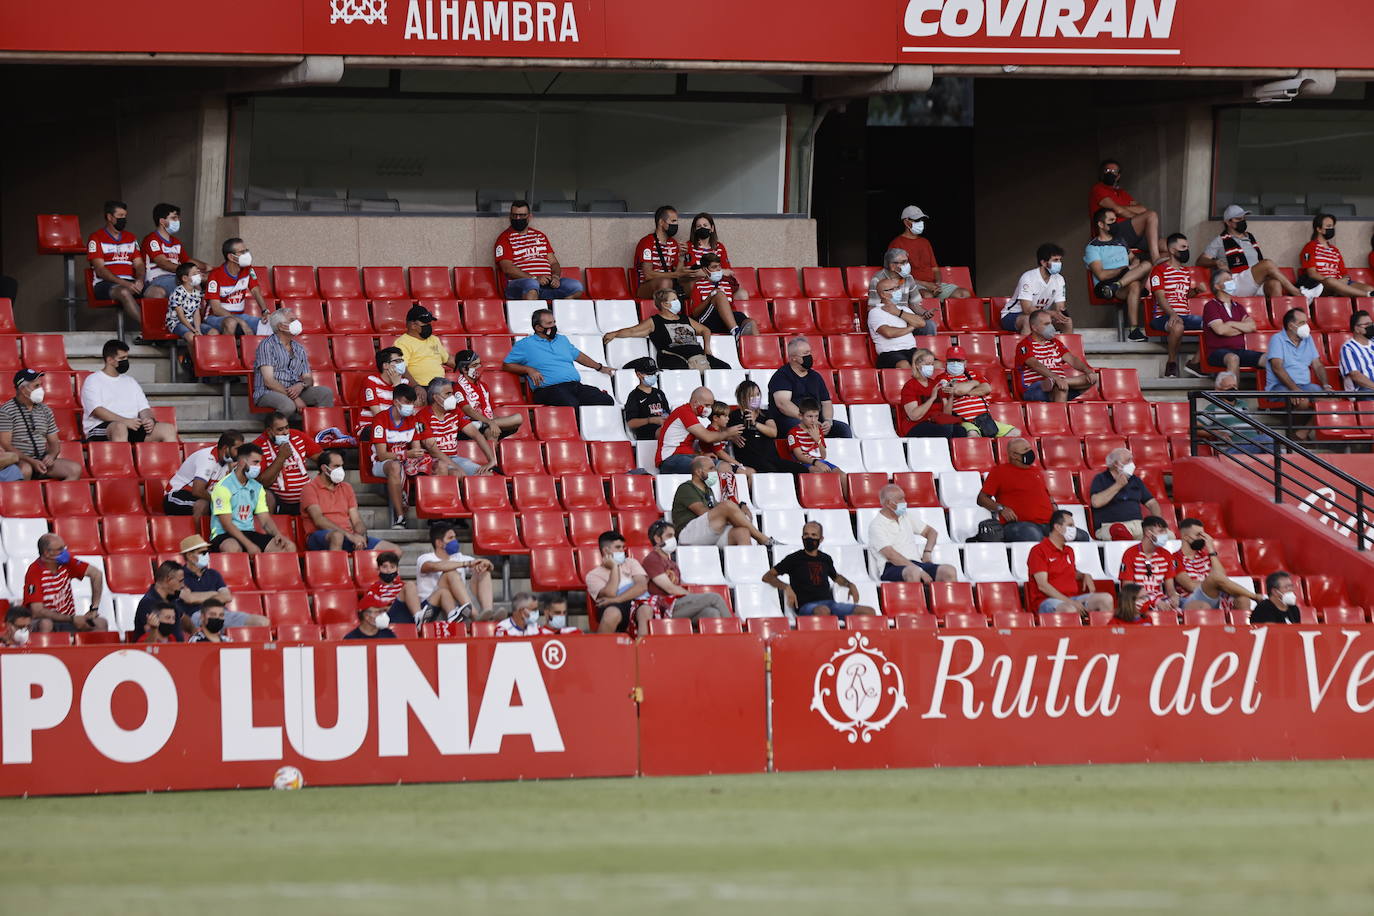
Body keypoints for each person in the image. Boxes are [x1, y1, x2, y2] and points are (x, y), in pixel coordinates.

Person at [370, 384, 459, 528]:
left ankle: (437, 515)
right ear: (395, 402)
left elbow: (416, 448)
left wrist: (416, 455)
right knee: (394, 466)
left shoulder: (412, 419)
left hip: (405, 461)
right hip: (383, 464)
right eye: (406, 403)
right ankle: (400, 517)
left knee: (441, 465)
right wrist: (405, 454)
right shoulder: (380, 420)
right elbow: (381, 455)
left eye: (412, 403)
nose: (410, 406)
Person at [977, 438, 1086, 542]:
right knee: (1033, 534)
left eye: (1030, 449)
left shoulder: (1036, 471)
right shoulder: (999, 471)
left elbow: (1047, 496)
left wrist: (1056, 511)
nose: (1030, 452)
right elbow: (981, 498)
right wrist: (1001, 509)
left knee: (1081, 536)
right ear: (1014, 455)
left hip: (1048, 524)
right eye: (1025, 450)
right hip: (1018, 525)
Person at [503, 309, 616, 407]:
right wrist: (528, 370)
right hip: (548, 390)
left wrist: (600, 367)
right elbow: (506, 365)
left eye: (554, 322)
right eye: (549, 324)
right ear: (538, 327)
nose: (553, 326)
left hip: (574, 386)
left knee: (606, 400)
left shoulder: (562, 339)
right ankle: (576, 431)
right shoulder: (525, 344)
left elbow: (579, 356)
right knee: (570, 403)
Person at [1198, 205, 1311, 302]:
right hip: (1237, 282)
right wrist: (1215, 262)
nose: (1242, 221)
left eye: (1243, 218)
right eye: (1238, 219)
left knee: (1274, 284)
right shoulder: (1220, 240)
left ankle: (1279, 320)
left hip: (1255, 281)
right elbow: (1200, 260)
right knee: (1267, 264)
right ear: (1228, 222)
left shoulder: (1249, 237)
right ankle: (1298, 293)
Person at [765, 521, 876, 618]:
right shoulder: (793, 559)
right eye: (806, 535)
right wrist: (786, 587)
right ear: (802, 537)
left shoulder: (825, 558)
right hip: (806, 606)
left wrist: (849, 584)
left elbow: (836, 577)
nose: (809, 538)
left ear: (821, 539)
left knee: (869, 612)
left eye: (814, 535)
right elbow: (768, 576)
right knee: (823, 611)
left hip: (830, 604)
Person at [604, 288, 729, 370]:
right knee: (685, 371)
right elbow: (633, 330)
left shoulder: (685, 319)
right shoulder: (655, 321)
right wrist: (615, 333)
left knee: (725, 368)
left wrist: (707, 348)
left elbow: (705, 330)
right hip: (674, 359)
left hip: (699, 357)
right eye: (674, 300)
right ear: (664, 304)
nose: (677, 302)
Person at [301, 450, 399, 553]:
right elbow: (319, 520)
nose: (340, 470)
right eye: (336, 466)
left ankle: (378, 569)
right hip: (319, 536)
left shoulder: (346, 487)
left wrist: (361, 535)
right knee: (337, 536)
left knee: (395, 550)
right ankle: (337, 569)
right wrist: (349, 536)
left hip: (347, 536)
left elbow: (356, 520)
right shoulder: (310, 488)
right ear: (324, 468)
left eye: (342, 466)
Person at [81, 339, 177, 442]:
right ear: (110, 360)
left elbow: (144, 408)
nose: (126, 361)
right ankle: (122, 458)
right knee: (120, 428)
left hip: (132, 425)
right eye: (122, 358)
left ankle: (171, 459)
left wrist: (149, 420)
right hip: (102, 427)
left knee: (168, 429)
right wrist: (125, 421)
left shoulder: (131, 381)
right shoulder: (93, 380)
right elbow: (97, 410)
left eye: (127, 357)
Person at [640, 520, 733, 624]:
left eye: (674, 536)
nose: (673, 539)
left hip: (677, 606)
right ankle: (735, 634)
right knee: (714, 598)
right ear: (657, 539)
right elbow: (670, 588)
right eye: (669, 536)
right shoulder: (652, 560)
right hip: (664, 607)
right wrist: (690, 596)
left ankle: (719, 639)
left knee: (711, 613)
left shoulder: (672, 563)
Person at [209, 444, 296, 553]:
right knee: (232, 548)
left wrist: (277, 534)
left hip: (249, 532)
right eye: (255, 462)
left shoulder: (257, 487)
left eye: (259, 462)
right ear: (241, 462)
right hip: (224, 535)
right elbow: (227, 524)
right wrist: (249, 545)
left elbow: (265, 519)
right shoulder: (223, 487)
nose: (259, 467)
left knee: (288, 547)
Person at [1025, 510, 1113, 616]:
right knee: (1069, 609)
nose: (1074, 529)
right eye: (1070, 525)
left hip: (1071, 599)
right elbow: (1043, 585)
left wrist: (1083, 575)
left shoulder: (1069, 551)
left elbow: (1067, 572)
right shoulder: (1038, 551)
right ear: (1057, 527)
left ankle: (1102, 632)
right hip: (1047, 601)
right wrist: (1070, 602)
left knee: (1105, 599)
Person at [672, 456, 773, 547]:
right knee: (727, 506)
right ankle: (763, 539)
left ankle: (746, 566)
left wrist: (740, 506)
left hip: (707, 532)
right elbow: (703, 512)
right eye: (711, 468)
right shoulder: (686, 488)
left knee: (742, 532)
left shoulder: (707, 489)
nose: (715, 471)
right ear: (699, 472)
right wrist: (733, 517)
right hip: (688, 534)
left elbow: (717, 509)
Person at [0, 370, 82, 481]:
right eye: (36, 386)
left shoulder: (45, 410)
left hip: (41, 460)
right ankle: (26, 498)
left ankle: (58, 498)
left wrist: (51, 456)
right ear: (23, 389)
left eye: (41, 385)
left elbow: (54, 442)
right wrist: (31, 461)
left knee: (74, 469)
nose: (41, 389)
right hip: (21, 460)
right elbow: (5, 445)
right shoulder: (7, 411)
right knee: (26, 469)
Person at [867, 484, 957, 584]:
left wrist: (927, 553)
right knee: (913, 572)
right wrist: (919, 570)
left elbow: (931, 532)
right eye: (901, 499)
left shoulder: (906, 516)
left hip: (916, 563)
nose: (905, 502)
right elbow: (891, 556)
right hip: (891, 566)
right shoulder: (876, 526)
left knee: (949, 571)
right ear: (889, 503)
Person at [1085, 207, 1153, 341]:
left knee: (1148, 265)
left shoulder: (1120, 241)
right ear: (1101, 224)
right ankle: (1134, 329)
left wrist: (1135, 262)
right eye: (1111, 221)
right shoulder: (1092, 247)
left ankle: (1134, 331)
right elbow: (1101, 275)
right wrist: (1124, 269)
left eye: (1115, 220)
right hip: (1106, 284)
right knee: (1134, 284)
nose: (1115, 224)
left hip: (1121, 282)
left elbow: (1133, 258)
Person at [494, 200, 585, 300]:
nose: (518, 218)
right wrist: (535, 278)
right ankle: (534, 314)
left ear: (529, 217)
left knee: (576, 287)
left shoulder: (539, 236)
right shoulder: (504, 239)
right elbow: (508, 269)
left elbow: (554, 263)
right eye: (515, 215)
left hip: (546, 284)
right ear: (510, 216)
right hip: (520, 285)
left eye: (522, 215)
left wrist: (555, 277)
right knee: (531, 285)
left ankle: (555, 312)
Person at [174, 534, 267, 630]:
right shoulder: (178, 576)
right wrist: (214, 593)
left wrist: (198, 596)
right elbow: (189, 598)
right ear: (190, 556)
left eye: (208, 551)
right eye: (203, 552)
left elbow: (227, 597)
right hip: (197, 615)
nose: (207, 555)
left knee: (262, 622)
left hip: (222, 613)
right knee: (215, 623)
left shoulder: (214, 574)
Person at [252, 307, 334, 416]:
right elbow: (269, 381)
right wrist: (295, 399)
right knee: (288, 405)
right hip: (269, 392)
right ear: (281, 326)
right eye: (292, 320)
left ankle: (323, 430)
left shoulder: (299, 348)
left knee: (325, 393)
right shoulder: (267, 346)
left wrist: (302, 385)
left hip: (294, 390)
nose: (297, 323)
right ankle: (274, 430)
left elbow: (308, 378)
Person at [766, 337, 853, 438]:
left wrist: (828, 421)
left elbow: (826, 402)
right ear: (793, 358)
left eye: (809, 353)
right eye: (805, 354)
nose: (809, 356)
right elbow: (783, 404)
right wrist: (805, 419)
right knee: (801, 429)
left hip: (815, 420)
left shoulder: (815, 376)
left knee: (843, 430)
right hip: (790, 420)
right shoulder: (781, 376)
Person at [1147, 233, 1207, 378]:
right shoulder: (1159, 270)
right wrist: (1173, 314)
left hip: (1184, 316)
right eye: (1183, 247)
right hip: (1163, 317)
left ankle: (1195, 362)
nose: (1187, 250)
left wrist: (1196, 290)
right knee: (1178, 326)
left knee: (1213, 324)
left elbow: (1183, 295)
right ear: (1172, 250)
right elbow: (1160, 297)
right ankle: (1171, 363)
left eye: (1187, 247)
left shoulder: (1185, 272)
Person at [884, 204, 971, 302]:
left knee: (964, 294)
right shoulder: (896, 244)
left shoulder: (925, 242)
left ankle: (942, 313)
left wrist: (937, 285)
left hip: (933, 285)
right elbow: (895, 276)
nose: (920, 223)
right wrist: (926, 285)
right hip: (911, 285)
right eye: (916, 220)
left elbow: (935, 269)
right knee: (927, 296)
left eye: (922, 220)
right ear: (906, 222)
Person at [1265, 307, 1330, 437]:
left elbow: (1317, 364)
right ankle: (1291, 433)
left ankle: (1302, 432)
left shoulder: (1308, 339)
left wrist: (1326, 385)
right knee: (1303, 401)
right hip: (1279, 387)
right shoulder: (1277, 339)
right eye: (1302, 323)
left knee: (1329, 401)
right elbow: (1277, 367)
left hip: (1305, 386)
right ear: (1291, 325)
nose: (1306, 326)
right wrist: (1294, 389)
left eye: (1306, 322)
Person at [24, 533, 107, 633]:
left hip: (69, 619)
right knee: (46, 624)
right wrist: (72, 618)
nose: (65, 552)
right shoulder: (35, 571)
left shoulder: (67, 562)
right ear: (47, 553)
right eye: (60, 549)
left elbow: (96, 574)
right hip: (46, 620)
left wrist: (94, 608)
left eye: (64, 548)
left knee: (101, 623)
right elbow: (37, 611)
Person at [683, 215, 751, 336]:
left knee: (743, 294)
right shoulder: (688, 246)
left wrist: (705, 273)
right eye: (698, 226)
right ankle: (734, 330)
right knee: (709, 290)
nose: (702, 228)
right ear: (694, 229)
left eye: (705, 225)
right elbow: (689, 272)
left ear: (712, 228)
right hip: (698, 287)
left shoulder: (719, 247)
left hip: (717, 282)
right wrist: (705, 274)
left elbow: (728, 271)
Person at [1175, 518, 1260, 615]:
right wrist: (1212, 584)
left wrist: (1211, 549)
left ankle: (1243, 629)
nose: (1203, 538)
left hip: (1216, 596)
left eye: (1204, 535)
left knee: (1243, 599)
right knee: (1211, 583)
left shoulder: (1206, 556)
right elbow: (1191, 586)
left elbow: (1221, 576)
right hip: (1192, 598)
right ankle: (1255, 596)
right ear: (1186, 537)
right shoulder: (1175, 558)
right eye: (1199, 535)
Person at [1014, 310, 1100, 402]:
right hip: (1033, 389)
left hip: (1059, 383)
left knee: (1093, 378)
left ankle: (1060, 383)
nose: (1051, 327)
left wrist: (1088, 371)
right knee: (1061, 388)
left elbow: (1072, 360)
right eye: (1046, 324)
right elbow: (1035, 364)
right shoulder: (1024, 345)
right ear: (1034, 328)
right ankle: (1057, 386)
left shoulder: (1055, 343)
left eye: (1051, 323)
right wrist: (1056, 378)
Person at [655, 386, 745, 474]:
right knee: (719, 467)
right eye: (707, 405)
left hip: (682, 458)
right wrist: (727, 433)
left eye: (710, 406)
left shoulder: (689, 414)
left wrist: (700, 455)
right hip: (670, 459)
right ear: (695, 403)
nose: (709, 409)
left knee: (726, 467)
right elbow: (707, 437)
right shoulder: (684, 412)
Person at [416, 523, 494, 622]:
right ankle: (475, 616)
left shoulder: (458, 557)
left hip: (460, 607)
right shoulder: (425, 558)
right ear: (439, 543)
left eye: (455, 537)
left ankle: (488, 613)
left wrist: (486, 564)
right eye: (450, 538)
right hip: (433, 607)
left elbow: (485, 566)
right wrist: (465, 563)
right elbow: (435, 566)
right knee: (451, 573)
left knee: (484, 573)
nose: (455, 541)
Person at [1088, 159, 1163, 262]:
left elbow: (1142, 209)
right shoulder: (1098, 189)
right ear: (1102, 173)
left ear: (1118, 176)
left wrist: (1120, 208)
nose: (1110, 173)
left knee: (1169, 248)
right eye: (1107, 170)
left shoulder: (1120, 192)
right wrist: (1136, 217)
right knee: (1151, 215)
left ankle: (1149, 269)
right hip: (1112, 232)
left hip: (1131, 232)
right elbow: (1119, 211)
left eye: (1114, 171)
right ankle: (1155, 259)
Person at [87, 199, 144, 327]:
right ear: (109, 217)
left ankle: (166, 327)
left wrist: (140, 280)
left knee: (155, 291)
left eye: (125, 216)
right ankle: (150, 329)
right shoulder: (96, 238)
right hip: (105, 285)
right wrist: (125, 284)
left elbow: (139, 264)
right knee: (124, 291)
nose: (124, 219)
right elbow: (100, 270)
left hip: (130, 283)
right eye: (120, 216)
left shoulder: (131, 237)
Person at [253, 411, 323, 515]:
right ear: (269, 431)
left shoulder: (297, 436)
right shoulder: (259, 446)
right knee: (266, 496)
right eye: (280, 430)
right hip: (278, 501)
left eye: (287, 427)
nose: (286, 432)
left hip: (305, 498)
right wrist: (281, 457)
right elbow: (264, 482)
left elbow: (321, 458)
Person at [421, 376, 491, 476]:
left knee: (487, 475)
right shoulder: (422, 416)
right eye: (448, 394)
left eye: (452, 393)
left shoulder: (455, 411)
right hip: (435, 460)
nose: (452, 397)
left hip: (454, 458)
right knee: (457, 473)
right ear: (435, 397)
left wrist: (491, 460)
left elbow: (476, 434)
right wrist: (458, 468)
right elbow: (434, 451)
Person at [449, 347, 524, 439]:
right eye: (475, 365)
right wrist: (490, 422)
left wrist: (493, 423)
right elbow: (468, 411)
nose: (479, 367)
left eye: (479, 363)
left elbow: (490, 412)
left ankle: (484, 426)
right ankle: (485, 426)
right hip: (469, 426)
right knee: (492, 430)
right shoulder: (457, 387)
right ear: (464, 369)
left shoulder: (483, 386)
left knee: (517, 418)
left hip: (485, 423)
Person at [942, 346, 1016, 438]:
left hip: (985, 420)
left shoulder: (974, 374)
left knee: (1014, 433)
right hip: (965, 421)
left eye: (959, 361)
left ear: (965, 363)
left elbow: (987, 388)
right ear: (946, 363)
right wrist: (975, 383)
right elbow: (958, 390)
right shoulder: (942, 379)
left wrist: (966, 390)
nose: (955, 363)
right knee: (972, 434)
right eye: (952, 360)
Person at [1089, 447, 1162, 540]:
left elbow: (1152, 503)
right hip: (1111, 526)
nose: (1132, 464)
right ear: (1116, 464)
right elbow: (1096, 502)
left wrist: (1157, 522)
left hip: (1138, 525)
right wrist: (1118, 485)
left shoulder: (1135, 480)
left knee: (1167, 535)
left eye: (1132, 460)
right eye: (1128, 461)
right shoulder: (1100, 478)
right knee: (1120, 532)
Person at [584, 531, 649, 634]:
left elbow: (642, 586)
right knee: (612, 613)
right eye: (618, 547)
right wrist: (614, 568)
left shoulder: (631, 562)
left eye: (623, 547)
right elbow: (610, 593)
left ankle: (643, 648)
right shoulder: (593, 575)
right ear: (606, 551)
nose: (623, 551)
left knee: (645, 610)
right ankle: (601, 649)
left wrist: (618, 599)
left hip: (637, 602)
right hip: (611, 607)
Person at [1200, 268, 1264, 375]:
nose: (1232, 282)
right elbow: (1220, 330)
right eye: (1227, 280)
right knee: (1233, 359)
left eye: (1232, 279)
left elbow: (1252, 326)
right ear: (1217, 286)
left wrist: (1230, 324)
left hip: (1240, 351)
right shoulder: (1211, 306)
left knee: (1269, 359)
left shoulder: (1238, 307)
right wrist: (1242, 328)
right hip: (1217, 352)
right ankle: (1232, 391)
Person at [1116, 516, 1181, 616]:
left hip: (1159, 599)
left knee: (1177, 611)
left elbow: (1170, 588)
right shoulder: (1130, 554)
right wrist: (1152, 601)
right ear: (1148, 533)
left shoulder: (1167, 555)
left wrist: (1174, 597)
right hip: (1135, 600)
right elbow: (1127, 589)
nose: (1165, 535)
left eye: (1165, 531)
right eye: (1161, 531)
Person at [164, 431, 241, 515]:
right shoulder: (208, 458)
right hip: (176, 496)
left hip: (198, 497)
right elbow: (197, 491)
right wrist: (219, 502)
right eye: (237, 449)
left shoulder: (229, 462)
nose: (240, 452)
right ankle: (196, 529)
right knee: (204, 505)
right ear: (225, 448)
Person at [141, 203, 206, 300]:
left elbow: (187, 261)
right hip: (156, 280)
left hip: (176, 277)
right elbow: (164, 264)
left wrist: (208, 268)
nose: (178, 221)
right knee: (192, 282)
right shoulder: (152, 239)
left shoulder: (176, 242)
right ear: (162, 221)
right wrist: (189, 272)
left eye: (178, 218)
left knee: (208, 279)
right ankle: (198, 312)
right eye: (174, 218)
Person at [1300, 213, 1374, 298]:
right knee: (1331, 281)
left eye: (1332, 226)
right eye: (1328, 226)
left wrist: (1344, 280)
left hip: (1340, 282)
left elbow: (1344, 273)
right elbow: (1312, 273)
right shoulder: (1309, 247)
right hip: (1322, 284)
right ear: (1319, 229)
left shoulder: (1334, 250)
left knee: (1369, 288)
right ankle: (1367, 295)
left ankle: (1367, 293)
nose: (1331, 229)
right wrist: (1334, 282)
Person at [1002, 243, 1070, 335]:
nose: (1059, 263)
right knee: (1028, 319)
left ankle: (1065, 349)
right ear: (1043, 262)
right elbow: (1026, 309)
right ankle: (1026, 349)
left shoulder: (1059, 279)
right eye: (1055, 260)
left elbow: (1060, 307)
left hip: (1041, 316)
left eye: (1059, 260)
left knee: (1067, 322)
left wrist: (1062, 314)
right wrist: (1051, 313)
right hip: (1012, 315)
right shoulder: (1028, 277)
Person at [866, 248, 937, 335]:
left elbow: (914, 304)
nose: (907, 265)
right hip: (888, 318)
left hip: (906, 317)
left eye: (907, 262)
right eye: (904, 262)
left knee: (929, 325)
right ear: (892, 265)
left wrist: (925, 313)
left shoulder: (909, 278)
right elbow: (872, 308)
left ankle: (925, 349)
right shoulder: (877, 280)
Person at [205, 237, 270, 332]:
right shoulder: (215, 275)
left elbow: (255, 291)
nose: (247, 254)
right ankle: (227, 347)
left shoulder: (248, 269)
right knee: (231, 323)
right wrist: (240, 321)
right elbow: (216, 309)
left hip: (239, 315)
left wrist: (265, 311)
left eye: (246, 250)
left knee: (269, 324)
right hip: (215, 317)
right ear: (231, 257)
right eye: (242, 252)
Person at [899, 349, 965, 439]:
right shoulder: (910, 386)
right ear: (917, 365)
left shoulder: (935, 383)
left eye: (932, 364)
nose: (931, 367)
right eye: (927, 364)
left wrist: (951, 395)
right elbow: (914, 416)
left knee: (960, 431)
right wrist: (932, 398)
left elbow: (947, 413)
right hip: (916, 425)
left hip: (937, 422)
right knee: (945, 430)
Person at [634, 205, 693, 300]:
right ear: (661, 222)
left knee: (694, 285)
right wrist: (674, 275)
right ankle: (667, 314)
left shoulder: (673, 243)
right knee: (665, 282)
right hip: (646, 287)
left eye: (677, 221)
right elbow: (648, 275)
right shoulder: (647, 242)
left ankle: (690, 314)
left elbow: (677, 272)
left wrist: (681, 257)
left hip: (670, 283)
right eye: (673, 221)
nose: (676, 224)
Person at [727, 379, 785, 473]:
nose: (756, 398)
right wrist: (731, 437)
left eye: (757, 394)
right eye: (751, 395)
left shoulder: (765, 414)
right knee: (770, 470)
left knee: (800, 469)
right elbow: (722, 431)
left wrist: (755, 423)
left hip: (771, 458)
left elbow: (773, 432)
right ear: (742, 398)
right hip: (749, 459)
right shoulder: (734, 415)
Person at [868, 275, 925, 370]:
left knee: (935, 364)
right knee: (904, 365)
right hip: (889, 353)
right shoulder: (875, 312)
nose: (897, 291)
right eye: (892, 289)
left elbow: (921, 323)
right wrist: (910, 328)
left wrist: (898, 312)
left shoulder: (904, 309)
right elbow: (889, 333)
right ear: (883, 294)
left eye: (897, 288)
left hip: (912, 351)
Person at [392, 304, 453, 390]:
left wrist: (468, 366)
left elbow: (448, 359)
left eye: (429, 323)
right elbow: (401, 368)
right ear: (413, 325)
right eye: (425, 323)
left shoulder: (434, 339)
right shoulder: (402, 343)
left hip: (440, 385)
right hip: (421, 386)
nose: (428, 325)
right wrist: (416, 386)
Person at [163, 262, 221, 351]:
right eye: (194, 274)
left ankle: (208, 358)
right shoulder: (178, 292)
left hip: (192, 323)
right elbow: (180, 316)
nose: (198, 275)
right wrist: (193, 330)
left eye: (198, 272)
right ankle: (196, 362)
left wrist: (198, 330)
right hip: (177, 323)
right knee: (192, 338)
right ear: (185, 278)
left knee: (214, 332)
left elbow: (196, 313)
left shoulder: (196, 293)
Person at [360, 551, 421, 625]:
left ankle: (419, 618)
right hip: (390, 617)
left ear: (397, 570)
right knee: (410, 585)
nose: (388, 570)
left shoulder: (403, 586)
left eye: (392, 567)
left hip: (408, 614)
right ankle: (419, 619)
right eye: (385, 567)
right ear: (378, 569)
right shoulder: (374, 588)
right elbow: (365, 607)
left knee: (437, 594)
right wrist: (387, 606)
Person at [133, 561, 188, 640]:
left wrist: (193, 629)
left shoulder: (171, 599)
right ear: (168, 580)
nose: (182, 585)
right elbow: (150, 636)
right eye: (180, 581)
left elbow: (182, 617)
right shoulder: (148, 603)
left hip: (176, 649)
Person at [359, 346, 407, 433]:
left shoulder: (404, 383)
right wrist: (397, 386)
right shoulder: (371, 381)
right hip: (372, 426)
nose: (401, 364)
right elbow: (378, 415)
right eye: (397, 361)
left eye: (402, 361)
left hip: (397, 426)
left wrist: (397, 385)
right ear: (385, 365)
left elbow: (406, 412)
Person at [787, 397, 840, 473]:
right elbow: (799, 456)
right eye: (810, 416)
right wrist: (816, 462)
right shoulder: (793, 432)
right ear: (800, 416)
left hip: (820, 461)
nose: (813, 420)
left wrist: (817, 440)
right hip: (804, 463)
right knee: (820, 472)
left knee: (841, 474)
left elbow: (823, 456)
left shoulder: (818, 430)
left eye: (816, 416)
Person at [622, 358, 670, 441]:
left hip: (663, 428)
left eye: (654, 373)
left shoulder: (659, 393)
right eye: (649, 374)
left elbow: (667, 413)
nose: (653, 375)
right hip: (647, 432)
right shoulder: (634, 396)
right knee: (666, 433)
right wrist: (650, 420)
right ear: (638, 375)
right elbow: (631, 423)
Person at [1340, 310, 1374, 392]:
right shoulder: (1348, 348)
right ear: (1357, 329)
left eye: (1371, 323)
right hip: (1363, 390)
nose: (1371, 326)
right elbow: (1355, 375)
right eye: (1367, 324)